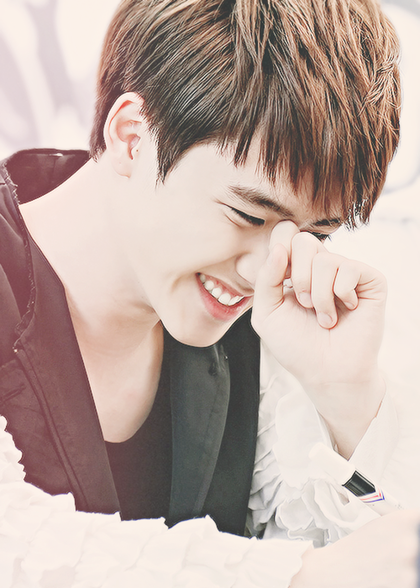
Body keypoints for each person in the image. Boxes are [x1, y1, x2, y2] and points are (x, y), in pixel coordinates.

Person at [0, 0, 418, 586]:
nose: (267, 269)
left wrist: (346, 397)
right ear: (132, 136)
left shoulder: (266, 327)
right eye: (248, 214)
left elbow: (374, 553)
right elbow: (16, 547)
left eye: (314, 235)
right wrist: (297, 577)